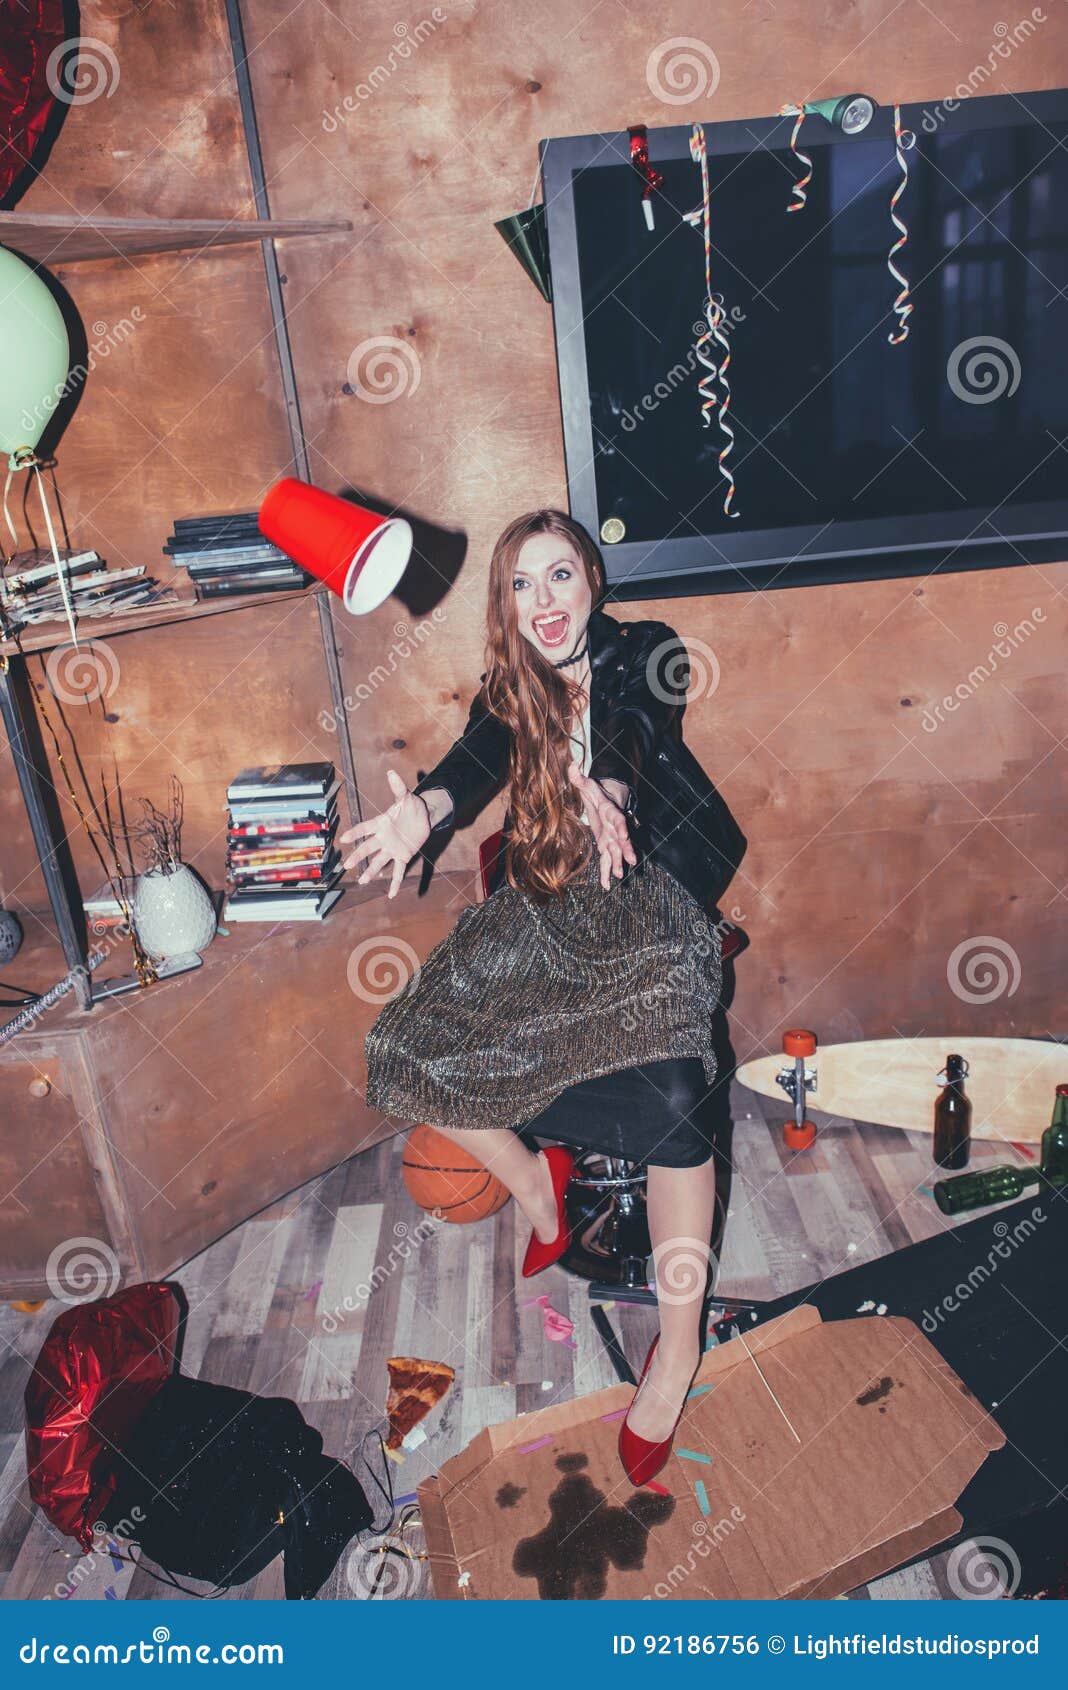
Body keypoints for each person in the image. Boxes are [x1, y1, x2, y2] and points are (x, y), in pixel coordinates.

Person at [339, 509, 746, 1485]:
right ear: (507, 607)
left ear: (592, 581)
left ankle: (677, 1348)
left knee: (676, 1100)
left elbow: (637, 724)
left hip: (654, 889)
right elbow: (477, 758)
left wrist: (607, 787)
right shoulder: (511, 688)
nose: (544, 600)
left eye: (560, 575)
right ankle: (535, 1185)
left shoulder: (646, 651)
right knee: (407, 1053)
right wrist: (427, 810)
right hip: (552, 906)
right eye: (521, 585)